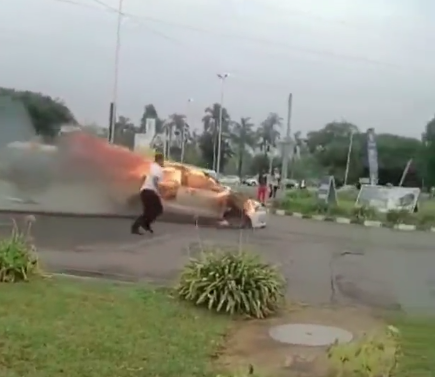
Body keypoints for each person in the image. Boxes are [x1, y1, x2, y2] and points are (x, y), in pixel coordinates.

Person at [131, 152, 164, 235]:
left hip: (145, 191)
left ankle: (140, 226)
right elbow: (155, 180)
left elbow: (145, 177)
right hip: (150, 191)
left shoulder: (152, 166)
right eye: (162, 161)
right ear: (160, 160)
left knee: (148, 211)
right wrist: (159, 192)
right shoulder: (158, 168)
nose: (163, 163)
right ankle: (143, 224)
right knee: (158, 209)